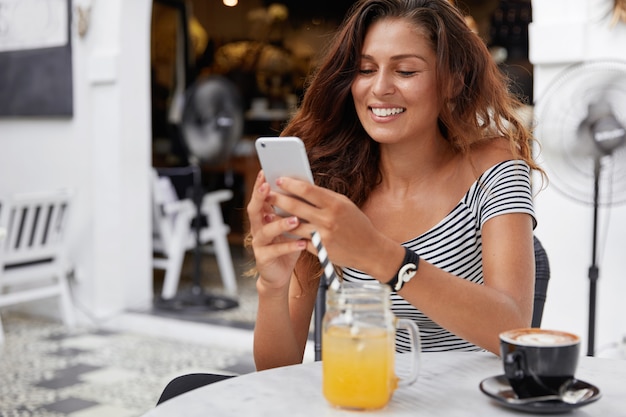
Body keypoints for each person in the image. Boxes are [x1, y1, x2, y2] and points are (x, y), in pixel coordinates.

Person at [247, 0, 545, 372]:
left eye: (405, 71)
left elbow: (514, 329)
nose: (380, 88)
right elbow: (276, 369)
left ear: (452, 80)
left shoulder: (494, 167)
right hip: (369, 395)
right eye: (365, 69)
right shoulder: (335, 182)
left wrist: (378, 253)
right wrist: (272, 286)